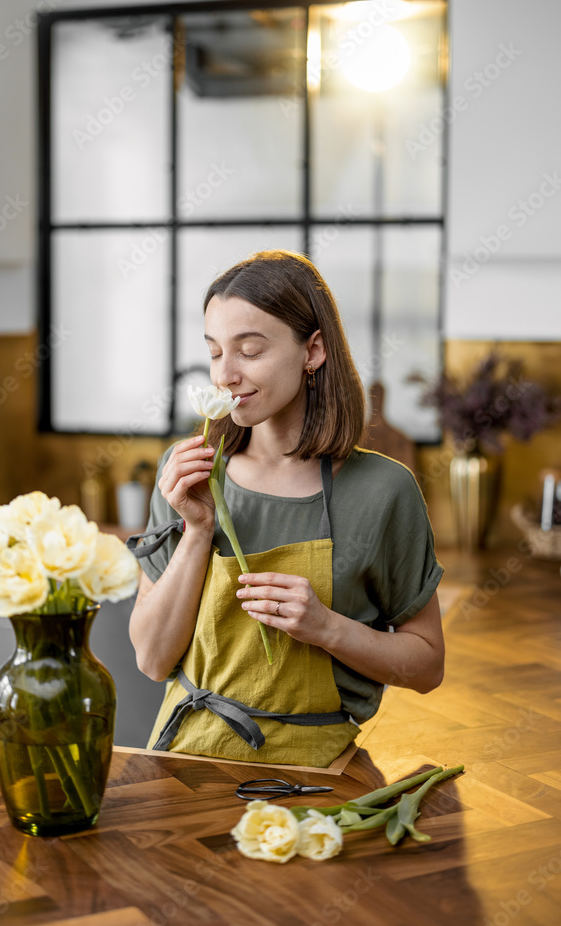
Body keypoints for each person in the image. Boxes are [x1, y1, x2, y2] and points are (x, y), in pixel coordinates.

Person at [128, 250, 445, 768]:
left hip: (314, 772)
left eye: (249, 351)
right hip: (184, 761)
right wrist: (197, 528)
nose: (225, 375)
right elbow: (152, 658)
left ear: (313, 350)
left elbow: (428, 666)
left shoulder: (385, 491)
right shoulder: (188, 474)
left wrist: (327, 628)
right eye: (214, 352)